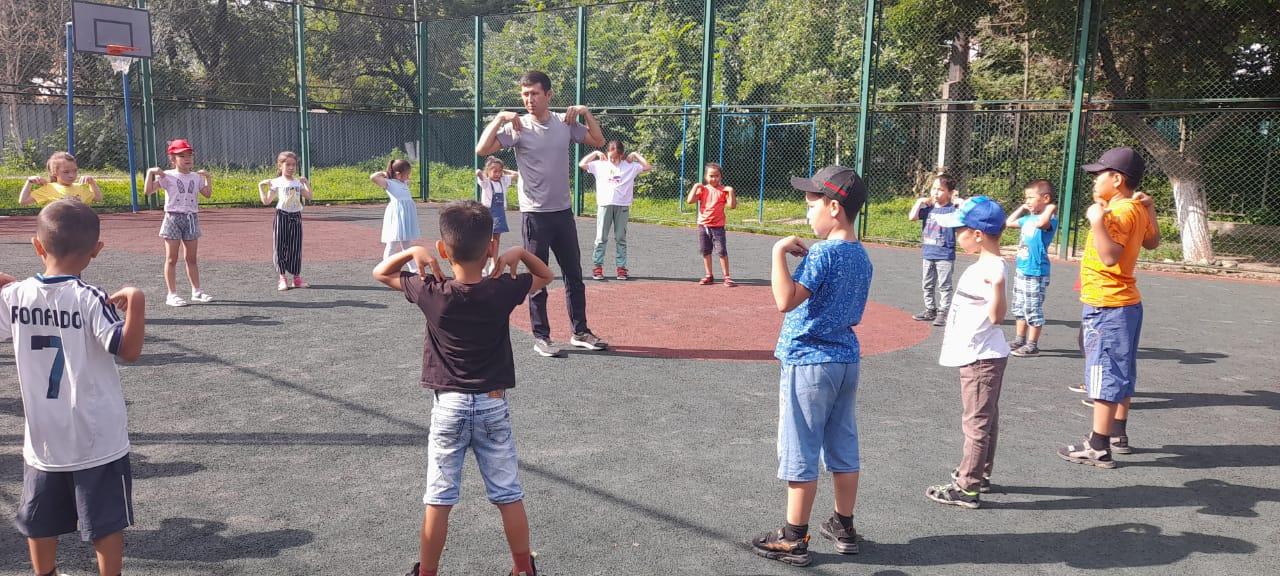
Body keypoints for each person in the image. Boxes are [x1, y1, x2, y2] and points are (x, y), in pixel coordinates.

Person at [372, 200, 554, 576]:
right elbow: (546, 275)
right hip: (492, 404)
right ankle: (523, 568)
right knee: (508, 493)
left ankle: (427, 572)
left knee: (439, 498)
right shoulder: (502, 289)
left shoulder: (432, 291)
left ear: (443, 249)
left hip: (449, 406)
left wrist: (413, 251)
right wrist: (519, 253)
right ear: (491, 247)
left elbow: (381, 273)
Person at [0, 199, 146, 576]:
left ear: (37, 245)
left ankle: (45, 573)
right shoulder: (90, 297)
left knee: (39, 517)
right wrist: (136, 301)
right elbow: (128, 350)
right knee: (105, 521)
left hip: (43, 437)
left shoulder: (15, 296)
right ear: (96, 250)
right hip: (97, 437)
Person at [751, 166, 872, 567]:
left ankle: (793, 537)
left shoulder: (823, 253)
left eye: (811, 205)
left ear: (834, 207)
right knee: (842, 443)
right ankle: (844, 524)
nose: (807, 213)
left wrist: (777, 253)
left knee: (801, 444)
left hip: (808, 361)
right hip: (845, 359)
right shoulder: (861, 254)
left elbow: (784, 300)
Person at [474, 69, 608, 357]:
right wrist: (499, 118)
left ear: (548, 95)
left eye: (534, 93)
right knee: (537, 277)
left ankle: (580, 331)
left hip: (563, 213)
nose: (529, 99)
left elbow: (598, 141)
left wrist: (585, 113)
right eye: (525, 94)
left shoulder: (565, 123)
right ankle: (541, 336)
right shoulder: (518, 127)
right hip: (534, 215)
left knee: (574, 274)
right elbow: (482, 149)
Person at [1058, 147, 1160, 468]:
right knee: (1122, 369)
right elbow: (1153, 241)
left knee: (1103, 371)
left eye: (1099, 175)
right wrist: (1150, 208)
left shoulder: (1116, 213)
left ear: (1116, 179)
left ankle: (1098, 445)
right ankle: (1118, 433)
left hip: (1107, 303)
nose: (1094, 180)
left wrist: (1097, 221)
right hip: (1124, 303)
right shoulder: (1135, 207)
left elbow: (1110, 256)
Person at [923, 196, 1011, 509]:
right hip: (980, 353)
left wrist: (998, 288)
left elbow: (997, 316)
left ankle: (967, 486)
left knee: (976, 422)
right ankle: (979, 473)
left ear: (977, 234)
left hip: (981, 358)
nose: (955, 236)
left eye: (959, 230)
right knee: (985, 419)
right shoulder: (984, 265)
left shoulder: (992, 269)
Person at [144, 139, 214, 307]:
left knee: (191, 258)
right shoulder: (167, 175)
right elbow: (148, 191)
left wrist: (208, 178)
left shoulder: (196, 177)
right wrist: (150, 173)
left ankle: (197, 291)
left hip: (191, 218)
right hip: (173, 218)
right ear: (172, 159)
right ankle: (172, 294)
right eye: (181, 156)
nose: (187, 158)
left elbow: (207, 194)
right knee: (171, 258)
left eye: (189, 155)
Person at [579, 141, 651, 281]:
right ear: (607, 153)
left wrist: (635, 154)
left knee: (620, 238)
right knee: (601, 237)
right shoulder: (600, 165)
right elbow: (582, 164)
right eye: (610, 156)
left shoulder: (629, 166)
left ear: (621, 155)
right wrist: (595, 153)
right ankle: (598, 267)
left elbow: (648, 166)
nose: (612, 160)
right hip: (605, 205)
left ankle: (621, 268)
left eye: (615, 157)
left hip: (622, 205)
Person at [1003, 179, 1058, 356]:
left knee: (1033, 309)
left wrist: (1051, 207)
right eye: (1025, 198)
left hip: (1036, 273)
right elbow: (1008, 222)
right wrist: (1022, 208)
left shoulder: (1049, 220)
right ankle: (1019, 339)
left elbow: (1042, 224)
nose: (1027, 201)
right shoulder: (1027, 219)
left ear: (1045, 198)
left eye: (1030, 198)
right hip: (1022, 270)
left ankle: (1032, 344)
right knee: (1019, 307)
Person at [907, 173, 962, 327]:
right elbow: (912, 217)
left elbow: (965, 216)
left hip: (944, 254)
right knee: (927, 283)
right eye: (934, 188)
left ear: (950, 193)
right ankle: (930, 309)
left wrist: (960, 202)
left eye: (940, 189)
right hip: (928, 253)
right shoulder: (928, 209)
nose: (936, 192)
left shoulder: (952, 210)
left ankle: (943, 312)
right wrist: (919, 201)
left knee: (944, 285)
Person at [258, 151, 313, 291]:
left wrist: (306, 183)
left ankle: (296, 279)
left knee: (296, 247)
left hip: (296, 217)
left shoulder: (297, 183)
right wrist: (261, 186)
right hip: (281, 216)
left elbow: (309, 196)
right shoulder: (276, 182)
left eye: (293, 165)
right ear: (280, 166)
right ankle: (282, 278)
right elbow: (266, 201)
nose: (291, 167)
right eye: (288, 164)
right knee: (280, 246)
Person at [685, 162, 737, 286]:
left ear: (721, 176)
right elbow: (690, 201)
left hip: (718, 227)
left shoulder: (723, 191)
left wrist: (731, 191)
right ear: (706, 177)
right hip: (703, 225)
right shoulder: (703, 190)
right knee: (705, 250)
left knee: (722, 251)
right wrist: (695, 187)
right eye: (711, 176)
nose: (714, 178)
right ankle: (709, 275)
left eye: (717, 176)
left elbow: (732, 206)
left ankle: (727, 277)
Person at [370, 158, 423, 273]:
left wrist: (403, 177)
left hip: (406, 216)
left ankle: (414, 269)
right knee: (392, 243)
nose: (408, 177)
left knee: (407, 244)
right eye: (407, 174)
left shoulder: (403, 182)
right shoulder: (389, 183)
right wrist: (385, 173)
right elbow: (373, 177)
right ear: (398, 174)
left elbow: (405, 182)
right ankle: (385, 267)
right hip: (397, 216)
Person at [476, 156, 520, 274]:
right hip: (487, 213)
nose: (497, 174)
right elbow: (479, 173)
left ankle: (493, 264)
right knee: (485, 239)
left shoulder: (503, 181)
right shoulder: (486, 182)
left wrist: (504, 170)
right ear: (488, 171)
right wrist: (480, 172)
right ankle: (481, 265)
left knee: (496, 239)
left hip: (499, 214)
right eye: (494, 171)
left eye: (500, 171)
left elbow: (517, 174)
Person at [19, 151, 103, 205]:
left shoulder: (80, 187)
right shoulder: (49, 188)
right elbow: (23, 201)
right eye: (66, 172)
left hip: (79, 226)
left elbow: (98, 198)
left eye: (75, 171)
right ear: (54, 173)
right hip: (57, 227)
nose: (72, 175)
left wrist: (92, 183)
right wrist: (29, 181)